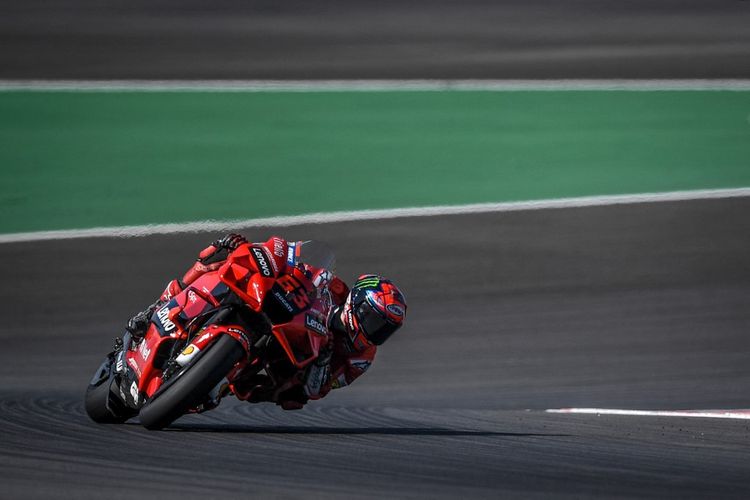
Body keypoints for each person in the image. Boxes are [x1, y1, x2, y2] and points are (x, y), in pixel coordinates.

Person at [125, 233, 407, 410]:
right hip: (281, 314)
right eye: (373, 320)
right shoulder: (334, 288)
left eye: (384, 329)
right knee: (223, 259)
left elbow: (317, 390)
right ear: (356, 303)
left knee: (289, 396)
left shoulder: (361, 358)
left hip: (292, 359)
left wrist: (322, 362)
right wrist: (276, 254)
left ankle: (215, 383)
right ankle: (161, 305)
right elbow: (300, 264)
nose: (375, 332)